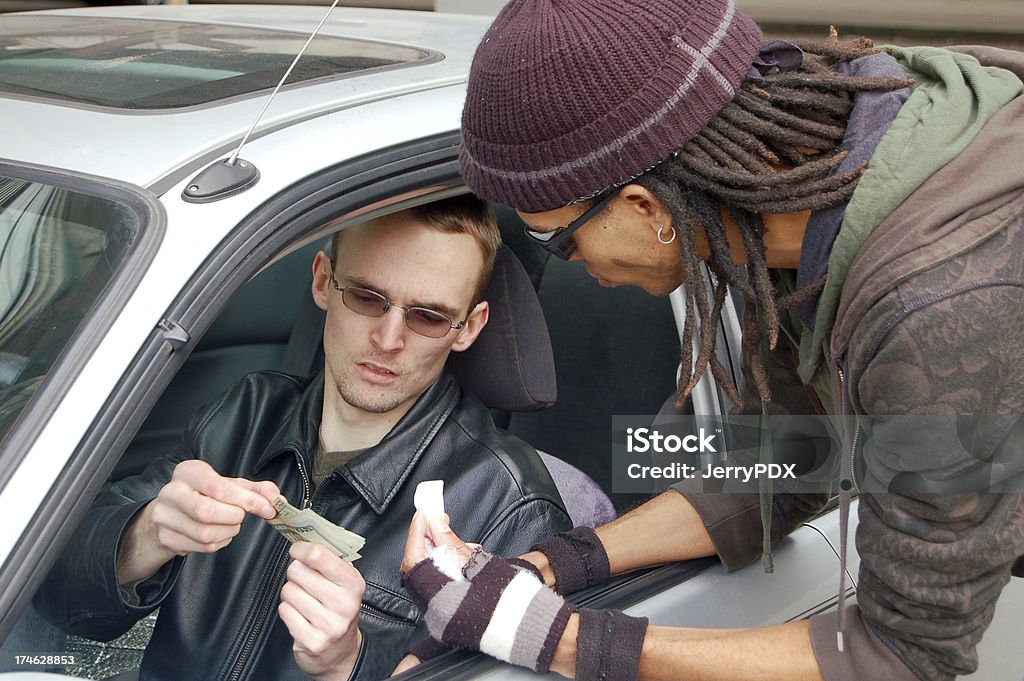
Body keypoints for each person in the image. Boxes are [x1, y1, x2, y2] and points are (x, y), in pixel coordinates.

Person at [398, 1, 1024, 680]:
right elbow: (786, 456)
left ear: (646, 207)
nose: (572, 270)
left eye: (558, 241)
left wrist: (555, 638)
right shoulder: (801, 182)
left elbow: (900, 654)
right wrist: (552, 563)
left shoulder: (934, 308)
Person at [34, 195, 572, 681]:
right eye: (366, 297)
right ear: (322, 281)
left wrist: (350, 664)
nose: (387, 340)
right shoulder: (246, 413)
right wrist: (144, 536)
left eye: (428, 317)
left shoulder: (510, 505)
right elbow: (48, 594)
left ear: (470, 327)